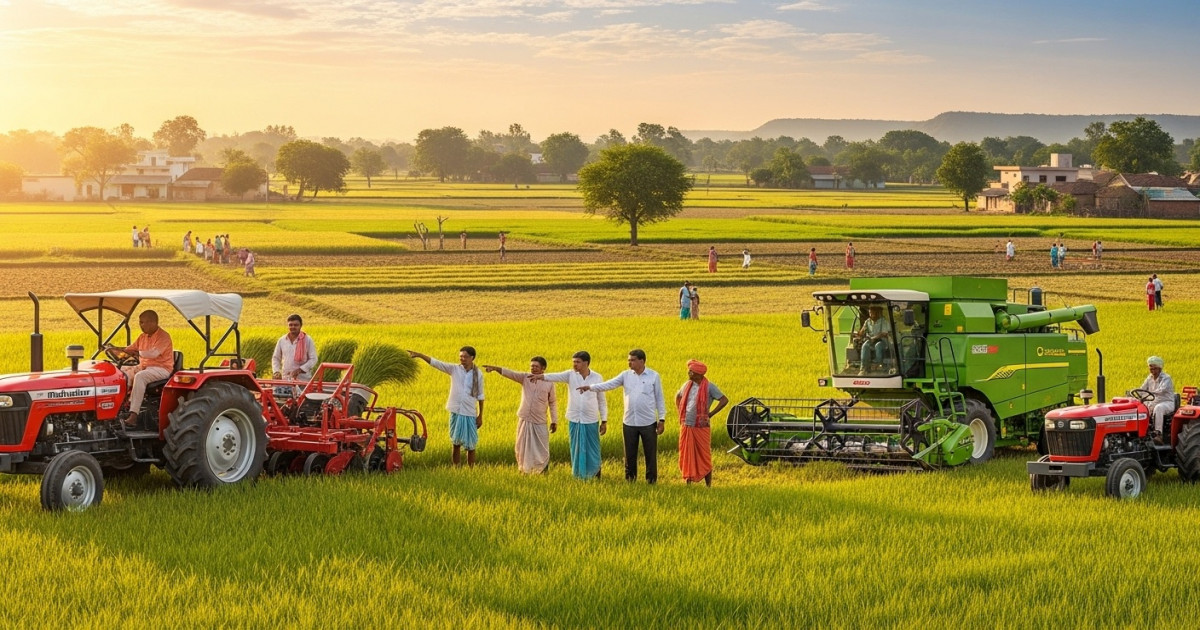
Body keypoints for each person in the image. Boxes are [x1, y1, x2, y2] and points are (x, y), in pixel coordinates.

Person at [577, 349, 665, 484]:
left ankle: (651, 481)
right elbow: (609, 384)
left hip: (648, 422)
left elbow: (659, 399)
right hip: (629, 422)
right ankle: (630, 480)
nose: (629, 363)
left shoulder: (653, 376)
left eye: (633, 360)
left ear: (642, 361)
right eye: (628, 360)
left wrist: (662, 419)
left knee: (650, 454)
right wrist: (590, 387)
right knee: (629, 454)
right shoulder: (625, 375)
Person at [532, 351, 607, 479]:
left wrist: (604, 420)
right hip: (574, 419)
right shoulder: (570, 375)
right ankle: (578, 475)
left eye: (577, 362)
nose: (575, 365)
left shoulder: (597, 377)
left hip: (590, 419)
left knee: (593, 448)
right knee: (576, 448)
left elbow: (602, 400)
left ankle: (595, 474)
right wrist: (539, 376)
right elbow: (554, 376)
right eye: (573, 362)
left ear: (586, 363)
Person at [408, 347, 486, 467]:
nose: (462, 359)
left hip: (470, 411)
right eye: (461, 357)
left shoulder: (478, 374)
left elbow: (480, 396)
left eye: (465, 357)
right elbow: (436, 363)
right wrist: (420, 355)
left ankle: (471, 469)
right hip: (455, 410)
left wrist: (480, 415)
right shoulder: (454, 369)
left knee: (471, 445)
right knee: (455, 442)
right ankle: (456, 468)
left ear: (472, 358)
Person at [483, 357, 558, 474]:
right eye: (532, 366)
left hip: (540, 420)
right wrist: (495, 368)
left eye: (536, 366)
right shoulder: (525, 378)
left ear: (543, 369)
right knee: (522, 446)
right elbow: (510, 373)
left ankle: (542, 470)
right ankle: (524, 470)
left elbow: (552, 402)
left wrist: (554, 421)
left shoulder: (549, 383)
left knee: (542, 447)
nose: (533, 368)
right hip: (524, 418)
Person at [107, 310, 173, 428]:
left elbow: (153, 354)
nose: (140, 325)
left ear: (153, 322)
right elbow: (130, 349)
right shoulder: (142, 337)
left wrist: (137, 353)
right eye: (140, 322)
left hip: (161, 368)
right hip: (144, 366)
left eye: (143, 322)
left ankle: (133, 415)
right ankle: (119, 407)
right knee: (121, 373)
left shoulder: (164, 336)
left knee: (140, 376)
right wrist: (115, 350)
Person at [676, 359, 728, 486]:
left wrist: (710, 414)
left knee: (704, 455)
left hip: (701, 426)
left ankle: (708, 485)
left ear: (699, 374)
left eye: (691, 371)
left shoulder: (709, 386)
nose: (688, 373)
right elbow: (678, 396)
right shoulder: (687, 385)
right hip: (687, 425)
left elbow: (724, 400)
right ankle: (688, 482)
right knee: (688, 454)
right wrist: (681, 412)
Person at [271, 314, 318, 382]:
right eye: (290, 325)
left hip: (303, 380)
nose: (293, 327)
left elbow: (313, 359)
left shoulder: (307, 340)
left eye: (296, 325)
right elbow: (276, 358)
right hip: (286, 378)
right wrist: (276, 371)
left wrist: (300, 370)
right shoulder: (282, 340)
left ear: (300, 326)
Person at [1139, 356, 1175, 443]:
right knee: (1140, 408)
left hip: (1166, 402)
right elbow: (1142, 389)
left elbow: (1161, 390)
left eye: (1154, 368)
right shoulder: (1149, 377)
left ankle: (1158, 434)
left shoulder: (1166, 378)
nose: (1152, 370)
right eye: (1150, 368)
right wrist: (1134, 395)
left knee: (1158, 408)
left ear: (1160, 368)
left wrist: (1149, 394)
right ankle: (1142, 432)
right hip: (1153, 401)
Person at [856, 305, 892, 374]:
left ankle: (878, 365)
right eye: (870, 313)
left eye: (872, 313)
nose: (871, 315)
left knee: (878, 346)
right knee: (865, 346)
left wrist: (874, 338)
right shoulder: (867, 322)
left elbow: (884, 333)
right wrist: (858, 334)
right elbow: (862, 331)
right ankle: (864, 369)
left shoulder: (883, 321)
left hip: (883, 341)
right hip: (871, 341)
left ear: (878, 313)